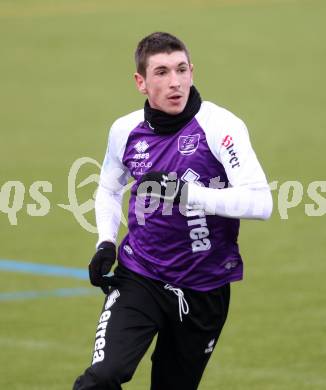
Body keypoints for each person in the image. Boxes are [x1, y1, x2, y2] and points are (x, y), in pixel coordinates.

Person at [73, 32, 273, 390]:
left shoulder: (221, 126)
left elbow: (261, 202)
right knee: (101, 379)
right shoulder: (125, 130)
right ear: (141, 82)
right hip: (140, 275)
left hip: (204, 288)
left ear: (193, 71)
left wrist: (187, 193)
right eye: (162, 72)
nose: (175, 82)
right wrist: (105, 241)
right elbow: (108, 187)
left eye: (181, 69)